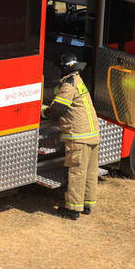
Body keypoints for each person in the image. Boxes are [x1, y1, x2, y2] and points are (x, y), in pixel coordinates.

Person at [43, 53, 100, 220]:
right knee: (90, 171)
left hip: (79, 137)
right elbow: (56, 93)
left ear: (63, 68)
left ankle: (73, 210)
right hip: (93, 135)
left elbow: (57, 110)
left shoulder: (68, 85)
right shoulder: (77, 81)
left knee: (77, 172)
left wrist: (42, 111)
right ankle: (87, 205)